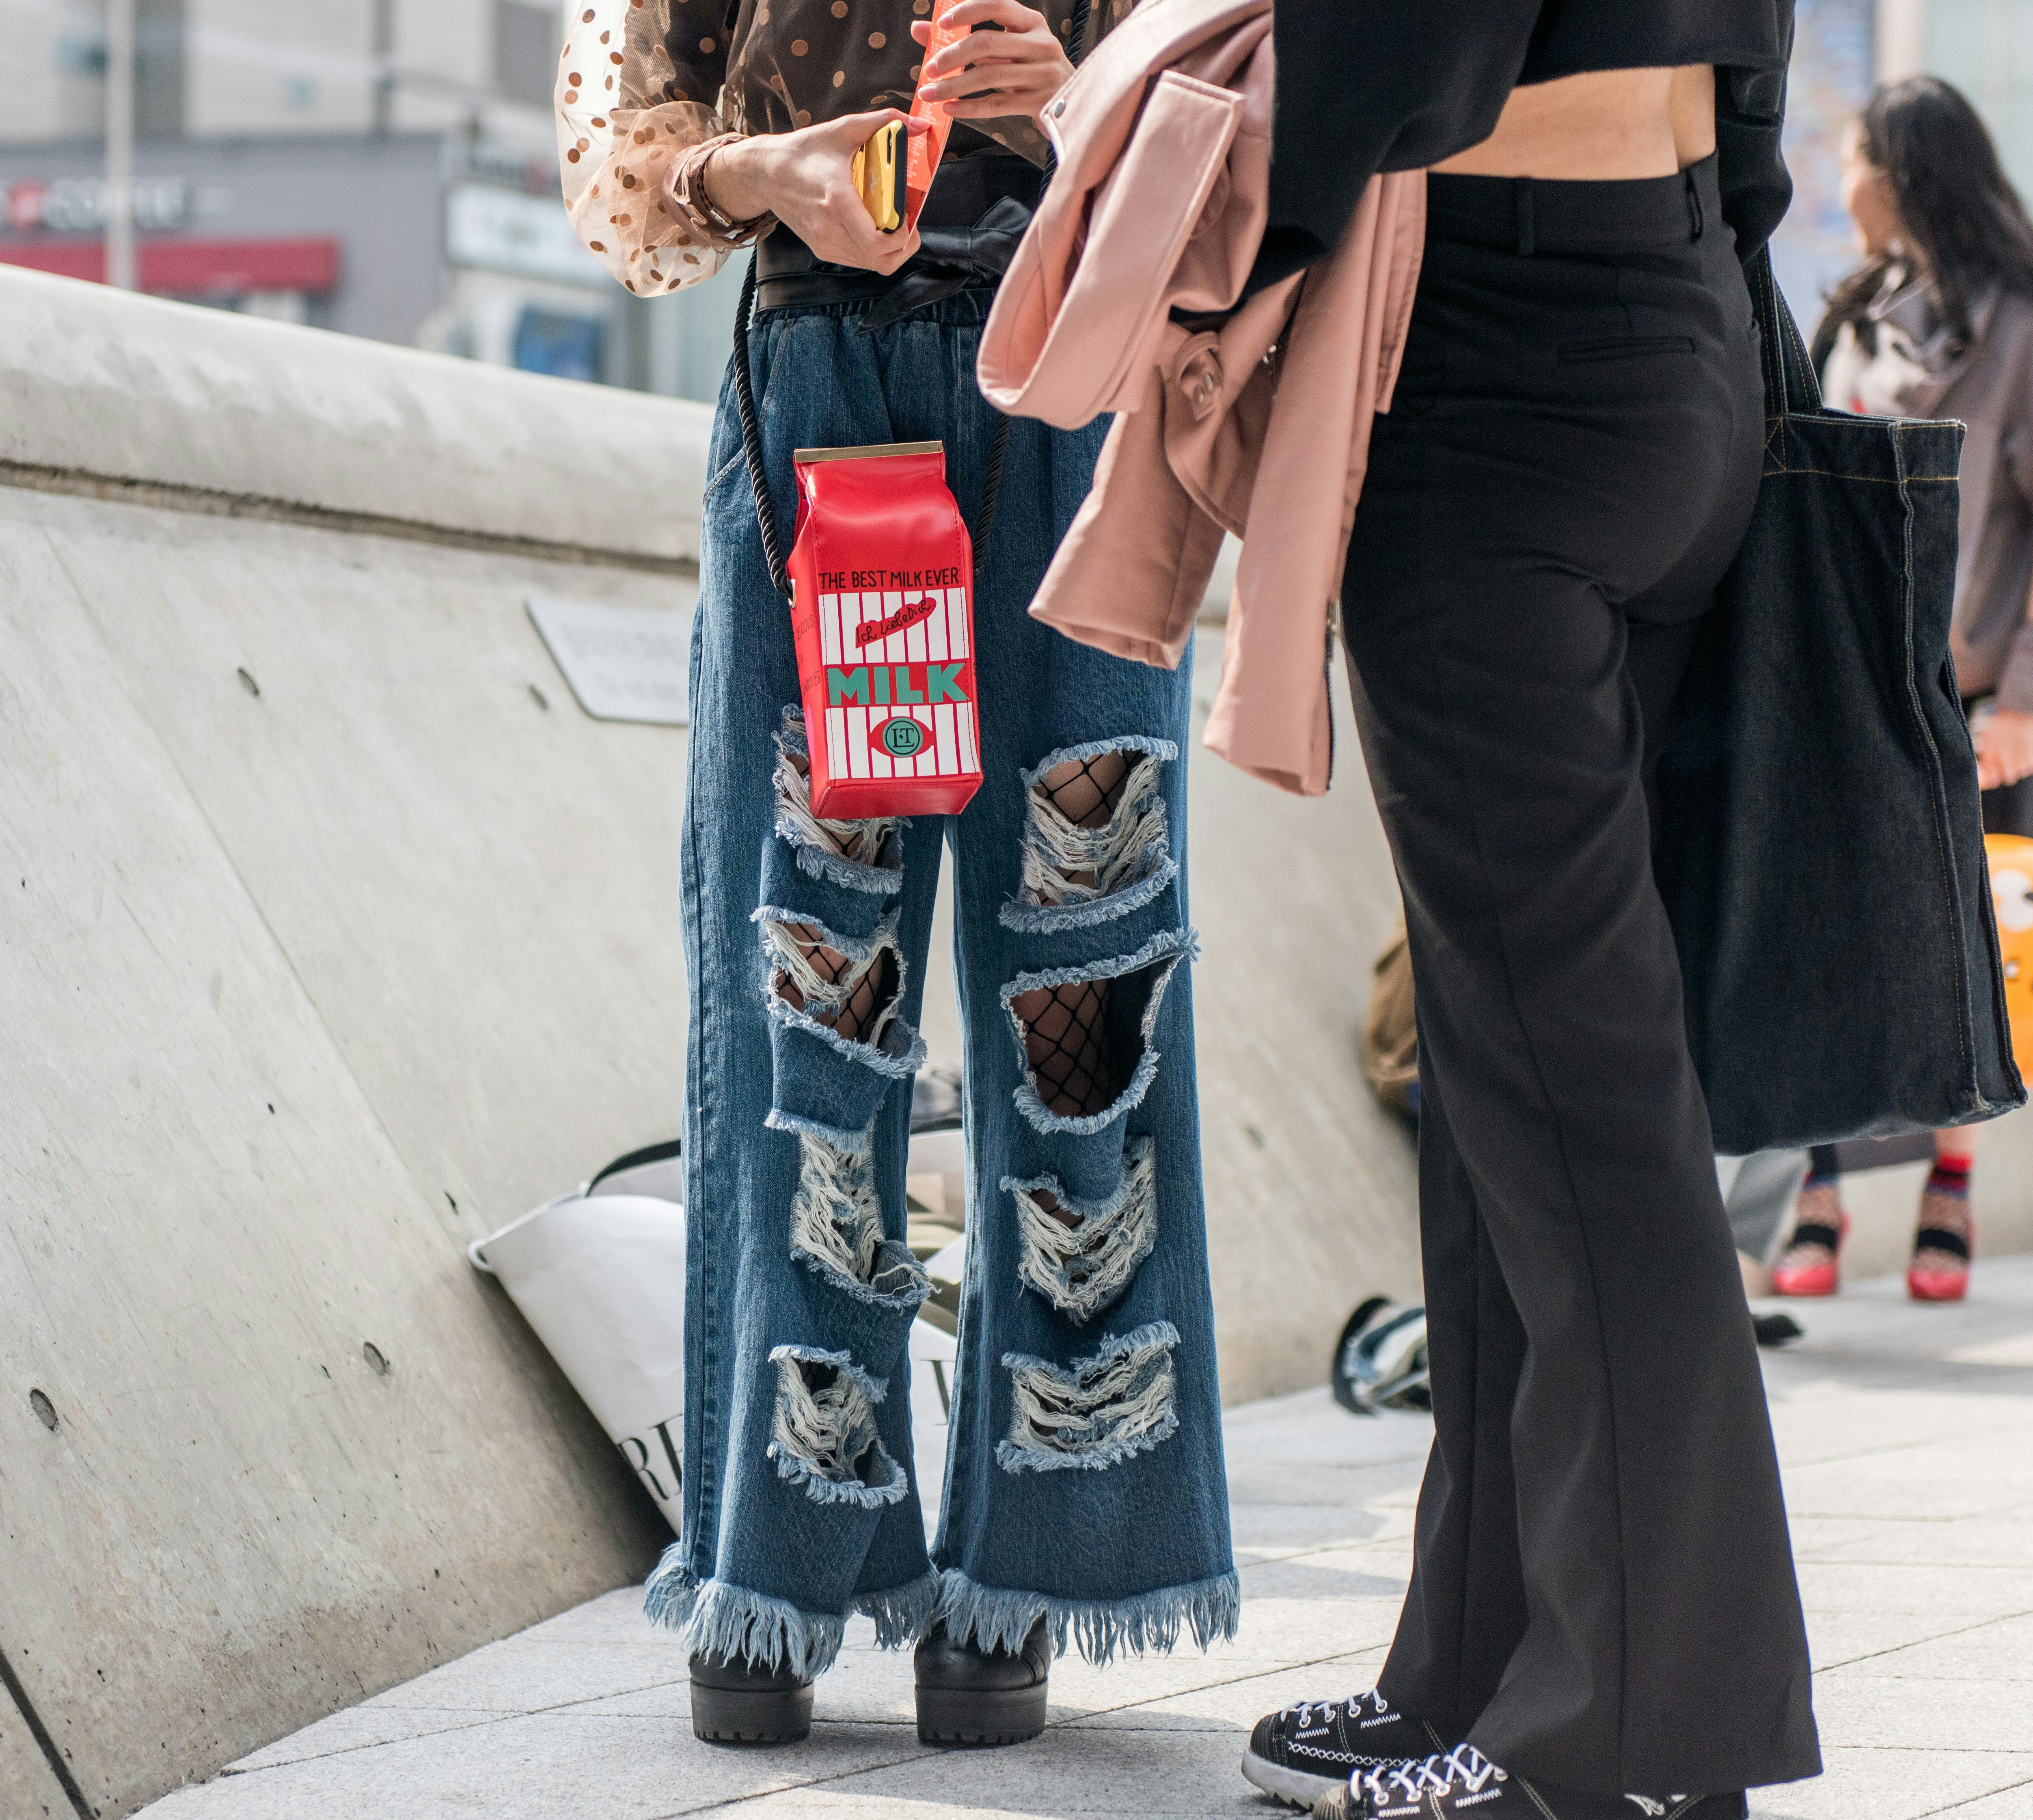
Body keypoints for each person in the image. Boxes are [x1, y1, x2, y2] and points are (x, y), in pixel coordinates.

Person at [556, 0, 1235, 1754]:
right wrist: (763, 168)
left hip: (1075, 386)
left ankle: (1031, 1558)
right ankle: (768, 1566)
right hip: (818, 392)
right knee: (797, 986)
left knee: (1084, 977)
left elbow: (1259, 120)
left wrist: (1084, 100)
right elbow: (618, 160)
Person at [1234, 10, 1820, 1818]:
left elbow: (1394, 44)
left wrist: (1219, 262)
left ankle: (1626, 1735)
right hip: (1681, 310)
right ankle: (1480, 1662)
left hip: (1500, 354)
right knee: (1516, 1077)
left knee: (1572, 1101)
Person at [1784, 75, 2033, 1304]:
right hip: (1848, 679)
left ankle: (1949, 1183)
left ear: (1896, 172)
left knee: (1968, 953)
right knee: (1819, 936)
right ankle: (1815, 1185)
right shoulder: (1858, 313)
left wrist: (2030, 695)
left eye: (1851, 163)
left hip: (1978, 705)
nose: (1839, 187)